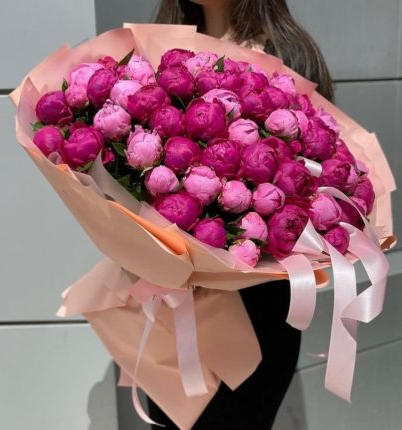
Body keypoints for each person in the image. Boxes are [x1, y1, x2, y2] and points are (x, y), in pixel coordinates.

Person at [147, 1, 335, 428]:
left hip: (257, 306)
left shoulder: (288, 55)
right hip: (172, 302)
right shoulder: (158, 46)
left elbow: (317, 170)